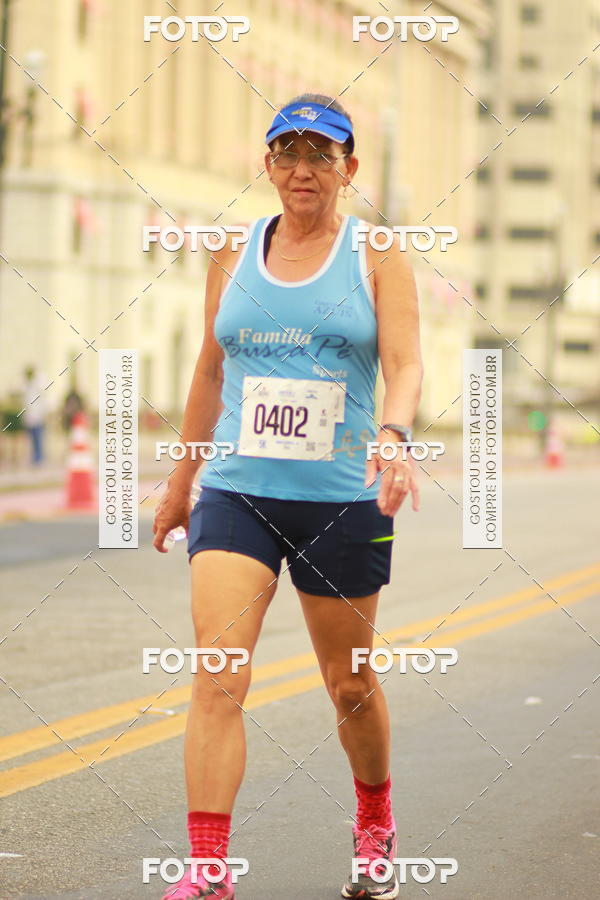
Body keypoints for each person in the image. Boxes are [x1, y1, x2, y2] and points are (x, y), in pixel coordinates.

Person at [153, 93, 423, 900]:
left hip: (342, 498)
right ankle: (208, 870)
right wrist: (181, 483)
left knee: (348, 683)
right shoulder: (234, 254)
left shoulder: (377, 255)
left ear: (348, 168)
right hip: (238, 490)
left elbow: (405, 364)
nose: (302, 169)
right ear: (267, 164)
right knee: (217, 674)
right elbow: (209, 370)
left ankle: (374, 817)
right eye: (287, 153)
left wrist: (396, 435)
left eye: (320, 154)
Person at [22, 366, 47, 466]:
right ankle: (34, 457)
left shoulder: (37, 386)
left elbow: (40, 403)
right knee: (31, 439)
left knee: (38, 439)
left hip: (37, 417)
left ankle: (39, 458)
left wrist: (42, 414)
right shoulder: (26, 386)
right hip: (29, 418)